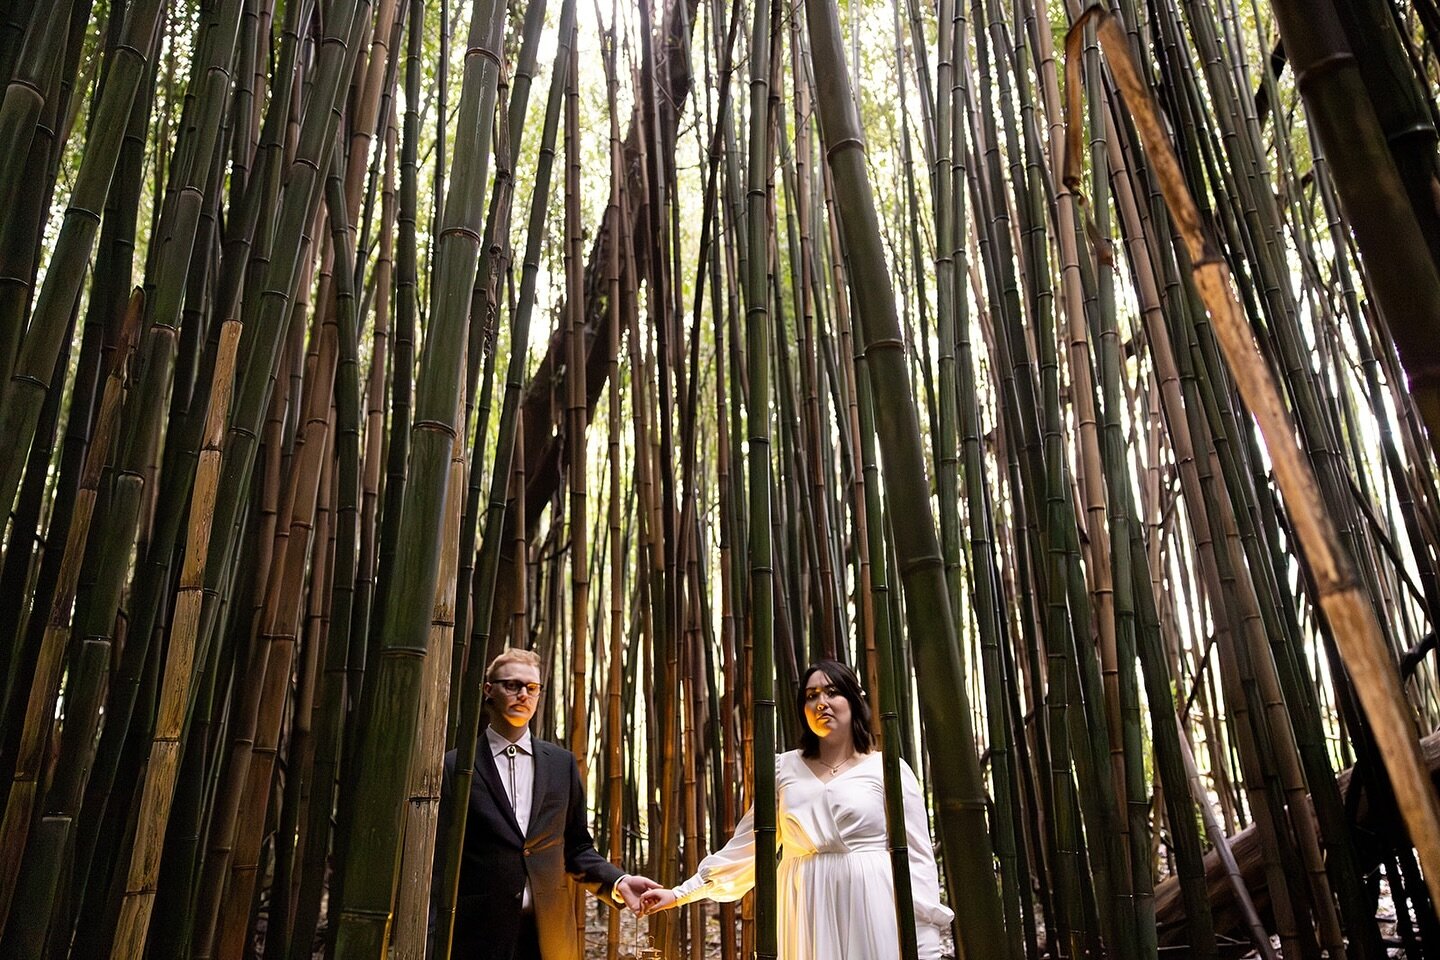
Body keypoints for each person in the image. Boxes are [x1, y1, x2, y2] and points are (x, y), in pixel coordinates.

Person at [639, 659, 954, 959]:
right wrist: (681, 893)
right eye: (811, 695)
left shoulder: (888, 769)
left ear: (854, 701)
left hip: (873, 906)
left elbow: (917, 861)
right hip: (805, 903)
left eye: (832, 692)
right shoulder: (783, 769)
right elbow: (746, 849)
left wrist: (925, 944)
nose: (821, 702)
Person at [431, 648, 660, 960]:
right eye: (512, 685)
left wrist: (618, 881)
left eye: (532, 688)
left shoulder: (561, 764)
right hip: (477, 937)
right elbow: (438, 861)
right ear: (489, 691)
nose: (523, 694)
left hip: (549, 935)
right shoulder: (456, 766)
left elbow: (577, 848)